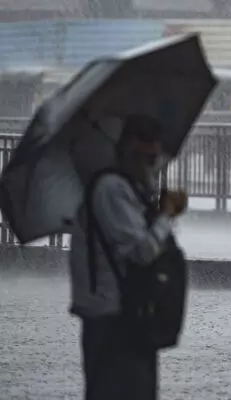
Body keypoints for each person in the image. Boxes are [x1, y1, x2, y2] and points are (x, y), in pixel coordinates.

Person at [68, 115, 188, 400]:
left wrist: (159, 212)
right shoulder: (111, 189)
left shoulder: (126, 189)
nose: (153, 167)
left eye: (155, 159)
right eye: (147, 159)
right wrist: (165, 217)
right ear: (127, 151)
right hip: (113, 318)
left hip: (130, 315)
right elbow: (141, 251)